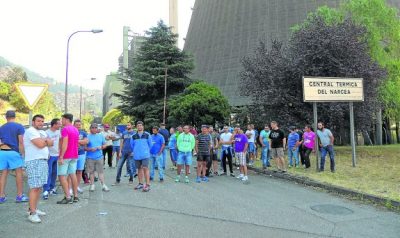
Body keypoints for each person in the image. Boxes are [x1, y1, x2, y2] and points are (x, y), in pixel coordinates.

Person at [24, 114, 53, 223]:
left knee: (39, 186)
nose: (41, 123)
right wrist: (45, 141)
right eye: (38, 121)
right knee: (34, 187)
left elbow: (51, 142)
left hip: (43, 161)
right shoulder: (30, 131)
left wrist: (44, 141)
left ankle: (33, 208)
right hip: (34, 161)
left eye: (42, 121)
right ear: (33, 122)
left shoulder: (42, 132)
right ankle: (32, 213)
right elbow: (41, 144)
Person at [0, 110, 29, 203]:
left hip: (3, 152)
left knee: (3, 174)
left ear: (6, 117)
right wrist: (22, 154)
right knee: (18, 173)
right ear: (14, 117)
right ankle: (19, 196)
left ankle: (1, 196)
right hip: (13, 152)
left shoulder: (2, 127)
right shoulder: (19, 126)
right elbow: (21, 142)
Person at [57, 113, 79, 204]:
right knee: (72, 174)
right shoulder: (75, 129)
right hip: (74, 155)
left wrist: (61, 156)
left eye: (62, 119)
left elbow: (65, 143)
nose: (61, 121)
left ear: (66, 119)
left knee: (61, 175)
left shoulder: (65, 129)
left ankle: (67, 197)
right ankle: (76, 196)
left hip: (66, 155)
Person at [86, 123, 110, 192]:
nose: (94, 129)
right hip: (90, 157)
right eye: (92, 127)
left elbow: (105, 145)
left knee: (100, 172)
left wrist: (101, 147)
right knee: (91, 172)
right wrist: (90, 149)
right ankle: (92, 185)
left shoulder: (100, 136)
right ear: (90, 128)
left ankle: (103, 185)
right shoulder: (87, 136)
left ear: (97, 129)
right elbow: (84, 148)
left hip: (99, 157)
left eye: (95, 127)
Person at [130, 121, 152, 192]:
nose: (139, 127)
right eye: (138, 125)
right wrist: (136, 151)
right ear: (136, 127)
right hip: (137, 156)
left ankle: (147, 185)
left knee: (145, 168)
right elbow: (132, 146)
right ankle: (140, 184)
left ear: (143, 126)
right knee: (139, 169)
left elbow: (150, 145)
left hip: (145, 155)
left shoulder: (147, 135)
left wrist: (146, 151)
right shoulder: (133, 136)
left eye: (140, 125)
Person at [43, 118, 61, 199]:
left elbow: (60, 141)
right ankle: (45, 190)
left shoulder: (58, 132)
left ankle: (52, 188)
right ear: (54, 124)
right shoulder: (46, 132)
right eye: (58, 124)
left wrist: (60, 151)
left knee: (54, 172)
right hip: (49, 156)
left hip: (56, 155)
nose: (60, 125)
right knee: (48, 173)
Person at [74, 120, 89, 193]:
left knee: (79, 171)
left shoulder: (83, 133)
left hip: (82, 154)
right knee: (72, 172)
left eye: (79, 125)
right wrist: (81, 141)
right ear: (74, 125)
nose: (78, 126)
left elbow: (86, 141)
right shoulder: (72, 132)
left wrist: (76, 141)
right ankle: (71, 188)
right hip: (73, 154)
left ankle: (77, 186)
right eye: (77, 125)